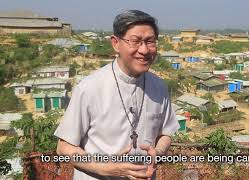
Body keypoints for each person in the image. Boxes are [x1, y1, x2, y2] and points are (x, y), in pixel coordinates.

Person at [54, 10, 180, 180]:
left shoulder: (159, 86)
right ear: (116, 43)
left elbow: (165, 133)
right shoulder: (89, 88)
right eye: (135, 41)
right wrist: (106, 168)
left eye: (150, 41)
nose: (144, 50)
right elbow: (64, 148)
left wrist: (157, 153)